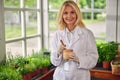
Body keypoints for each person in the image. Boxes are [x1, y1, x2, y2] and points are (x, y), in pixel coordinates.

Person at [50, 0, 98, 80]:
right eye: (65, 13)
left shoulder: (87, 34)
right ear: (61, 15)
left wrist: (79, 59)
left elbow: (93, 58)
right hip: (60, 76)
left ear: (77, 14)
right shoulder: (57, 34)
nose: (69, 16)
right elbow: (54, 62)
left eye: (72, 12)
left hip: (81, 76)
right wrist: (58, 53)